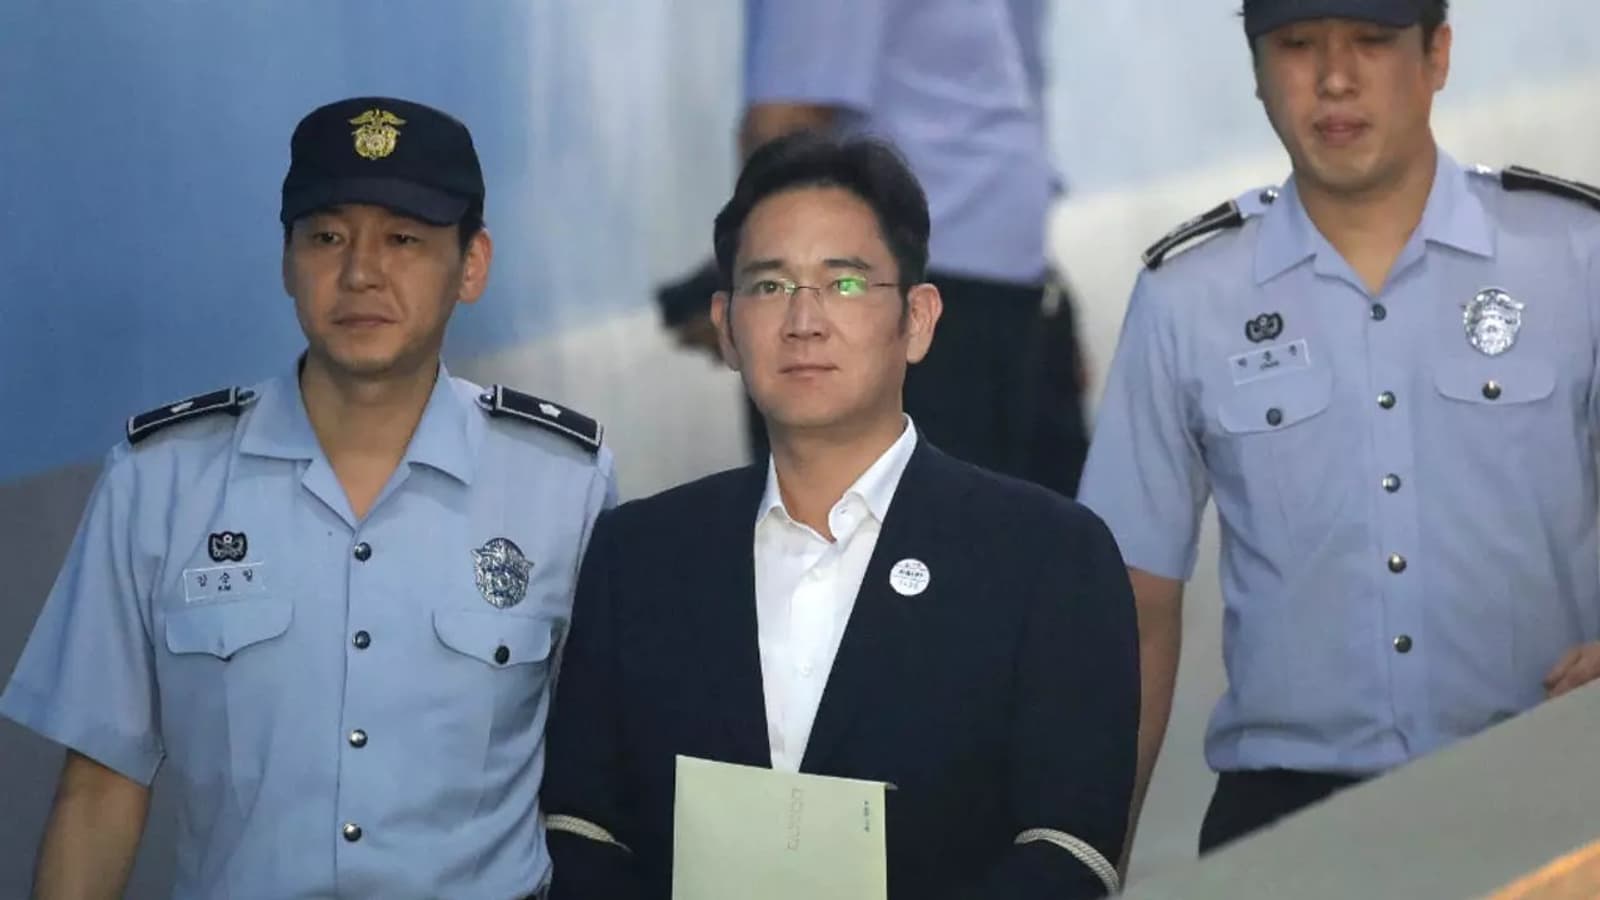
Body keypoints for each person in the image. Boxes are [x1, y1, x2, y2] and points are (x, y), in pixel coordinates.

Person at [0, 96, 615, 899]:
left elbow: (608, 781)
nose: (360, 273)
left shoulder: (562, 485)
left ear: (472, 264)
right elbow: (98, 793)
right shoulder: (162, 483)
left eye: (404, 239)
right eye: (326, 237)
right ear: (287, 261)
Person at [542, 132, 1138, 900]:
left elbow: (1071, 846)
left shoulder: (1046, 555)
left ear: (917, 320)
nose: (804, 320)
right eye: (769, 286)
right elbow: (583, 830)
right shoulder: (639, 556)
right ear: (725, 326)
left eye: (845, 283)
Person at [1078, 0, 1600, 856]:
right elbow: (1133, 605)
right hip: (1286, 820)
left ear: (1437, 56)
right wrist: (1095, 858)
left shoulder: (1574, 254)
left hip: (1542, 788)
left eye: (1371, 42)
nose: (1333, 79)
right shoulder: (1188, 297)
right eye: (1297, 46)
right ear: (1255, 70)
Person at [661, 0, 1090, 496]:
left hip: (911, 289)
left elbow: (787, 119)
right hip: (994, 275)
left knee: (877, 529)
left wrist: (750, 286)